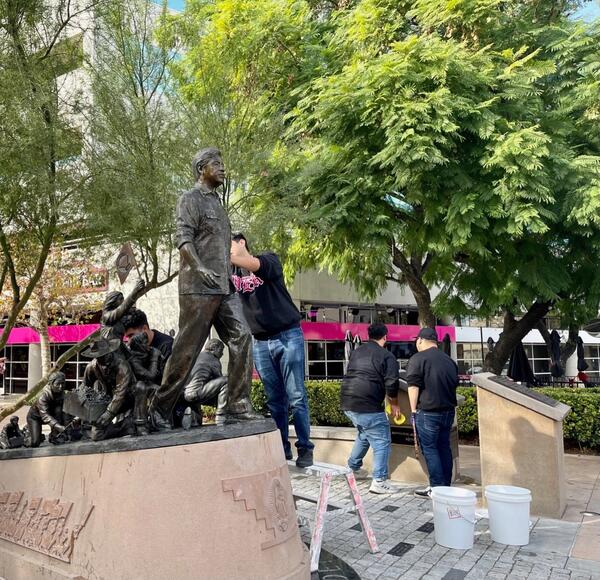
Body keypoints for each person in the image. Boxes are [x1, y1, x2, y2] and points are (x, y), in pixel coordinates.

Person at [151, 148, 259, 427]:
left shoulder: (218, 206)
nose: (223, 168)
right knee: (186, 351)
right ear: (202, 168)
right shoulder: (190, 199)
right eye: (216, 164)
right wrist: (199, 268)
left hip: (223, 288)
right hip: (197, 287)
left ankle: (236, 404)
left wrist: (229, 278)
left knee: (243, 337)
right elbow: (183, 238)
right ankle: (159, 409)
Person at [230, 233, 314, 467]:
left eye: (228, 245)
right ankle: (281, 449)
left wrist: (230, 257)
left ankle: (305, 449)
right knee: (275, 400)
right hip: (261, 342)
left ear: (241, 242)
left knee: (296, 395)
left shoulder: (268, 260)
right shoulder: (232, 276)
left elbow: (254, 265)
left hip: (288, 335)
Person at [340, 322, 401, 494]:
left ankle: (351, 468)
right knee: (382, 441)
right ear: (385, 337)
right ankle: (379, 481)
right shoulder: (387, 356)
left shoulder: (357, 352)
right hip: (368, 405)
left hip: (347, 403)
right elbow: (392, 382)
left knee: (364, 434)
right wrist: (394, 404)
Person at [406, 327, 459, 497]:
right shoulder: (449, 361)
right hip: (448, 412)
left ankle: (437, 488)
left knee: (430, 449)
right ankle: (446, 485)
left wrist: (413, 410)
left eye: (417, 341)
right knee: (444, 447)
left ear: (420, 340)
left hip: (427, 412)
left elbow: (413, 386)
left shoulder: (418, 359)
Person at [81, 337, 138, 441]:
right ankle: (124, 427)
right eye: (100, 356)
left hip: (128, 398)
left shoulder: (122, 365)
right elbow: (84, 388)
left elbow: (120, 393)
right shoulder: (92, 367)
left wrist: (109, 413)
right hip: (109, 400)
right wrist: (82, 409)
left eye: (106, 354)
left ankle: (128, 424)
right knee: (96, 435)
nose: (104, 358)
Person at [183, 338, 229, 424]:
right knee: (226, 381)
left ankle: (193, 417)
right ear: (213, 347)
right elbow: (219, 379)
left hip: (184, 394)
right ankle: (221, 414)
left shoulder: (197, 356)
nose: (222, 354)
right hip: (197, 393)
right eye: (221, 350)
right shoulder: (213, 360)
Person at [128, 332, 165, 435]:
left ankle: (156, 419)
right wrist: (154, 358)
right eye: (145, 343)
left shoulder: (146, 353)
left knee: (161, 390)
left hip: (146, 385)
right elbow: (150, 375)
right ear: (139, 345)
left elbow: (158, 374)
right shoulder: (133, 359)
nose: (148, 345)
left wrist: (159, 359)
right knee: (146, 388)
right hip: (132, 390)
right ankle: (142, 424)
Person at [27, 371, 67, 447]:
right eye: (58, 384)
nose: (61, 386)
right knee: (35, 443)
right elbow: (45, 416)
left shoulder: (62, 394)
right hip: (36, 418)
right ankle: (28, 432)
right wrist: (59, 426)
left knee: (59, 410)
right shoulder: (43, 396)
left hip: (52, 416)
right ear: (51, 384)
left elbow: (64, 411)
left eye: (62, 383)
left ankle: (53, 437)